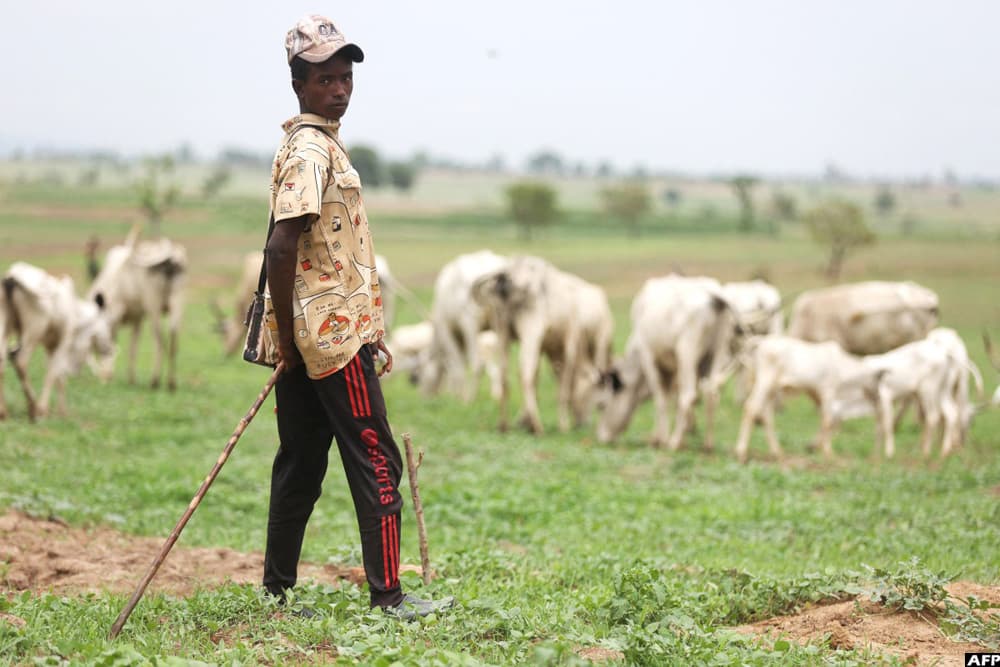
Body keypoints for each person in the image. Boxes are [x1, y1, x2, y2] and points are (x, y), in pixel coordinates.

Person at [262, 14, 452, 620]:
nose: (340, 89)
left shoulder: (307, 143)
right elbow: (280, 245)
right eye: (325, 79)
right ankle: (390, 596)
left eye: (345, 77)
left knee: (301, 460)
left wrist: (291, 339)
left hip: (309, 336)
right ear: (299, 83)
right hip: (331, 337)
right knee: (376, 457)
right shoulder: (313, 152)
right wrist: (299, 336)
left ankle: (278, 592)